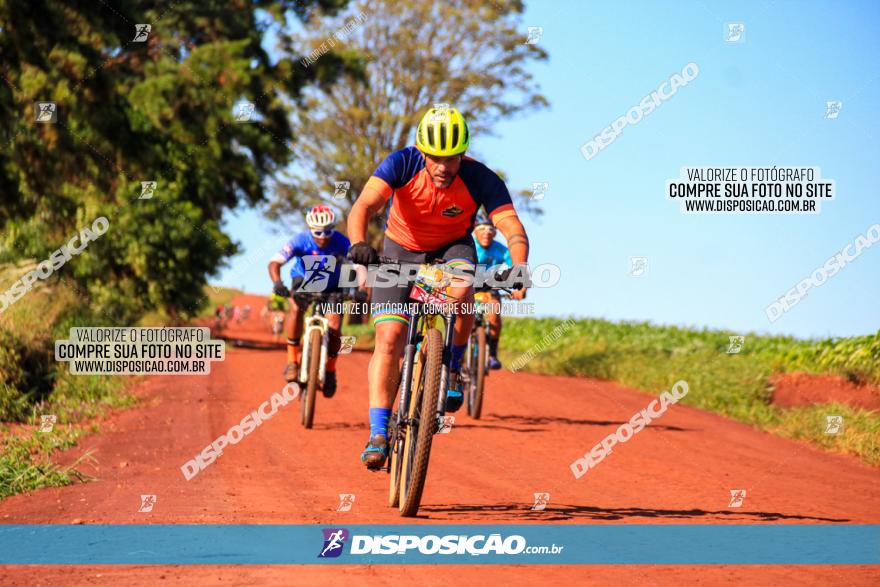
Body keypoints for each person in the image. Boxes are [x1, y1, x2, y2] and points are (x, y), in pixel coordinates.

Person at [347, 105, 530, 470]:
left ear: (463, 153)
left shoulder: (482, 179)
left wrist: (520, 264)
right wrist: (358, 245)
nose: (443, 167)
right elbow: (364, 206)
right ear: (422, 152)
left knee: (464, 290)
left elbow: (511, 225)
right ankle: (379, 432)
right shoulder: (401, 163)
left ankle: (454, 366)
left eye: (452, 158)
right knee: (389, 339)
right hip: (398, 251)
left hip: (452, 250)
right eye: (435, 158)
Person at [268, 205, 350, 396]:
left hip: (332, 285)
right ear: (310, 229)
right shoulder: (300, 240)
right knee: (296, 309)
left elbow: (361, 265)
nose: (323, 236)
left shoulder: (342, 242)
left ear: (334, 228)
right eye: (318, 232)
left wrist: (362, 290)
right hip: (303, 280)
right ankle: (291, 361)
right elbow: (274, 262)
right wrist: (277, 282)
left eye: (328, 231)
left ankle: (330, 371)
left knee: (336, 326)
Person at [472, 216, 519, 369]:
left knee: (494, 313)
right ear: (475, 231)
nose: (486, 233)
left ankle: (492, 353)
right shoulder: (469, 246)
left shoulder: (501, 250)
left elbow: (516, 268)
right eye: (482, 229)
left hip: (490, 287)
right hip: (469, 285)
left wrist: (521, 288)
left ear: (495, 233)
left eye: (491, 230)